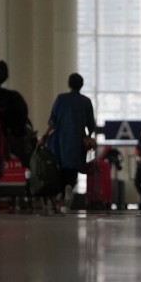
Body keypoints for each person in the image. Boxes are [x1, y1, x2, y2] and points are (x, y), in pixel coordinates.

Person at [39, 73, 96, 213]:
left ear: (69, 84)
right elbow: (91, 125)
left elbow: (52, 121)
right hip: (77, 140)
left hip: (60, 139)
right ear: (81, 85)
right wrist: (88, 137)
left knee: (61, 167)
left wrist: (45, 136)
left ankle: (62, 193)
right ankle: (69, 188)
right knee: (73, 168)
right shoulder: (86, 101)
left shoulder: (61, 99)